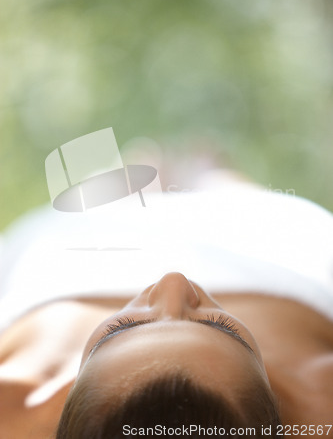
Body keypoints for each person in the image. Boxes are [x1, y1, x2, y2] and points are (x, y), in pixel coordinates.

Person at [0, 169, 332, 439]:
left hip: (74, 252)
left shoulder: (11, 409)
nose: (172, 281)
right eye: (220, 325)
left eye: (121, 327)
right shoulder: (322, 404)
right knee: (231, 189)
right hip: (276, 250)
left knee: (116, 183)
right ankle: (210, 170)